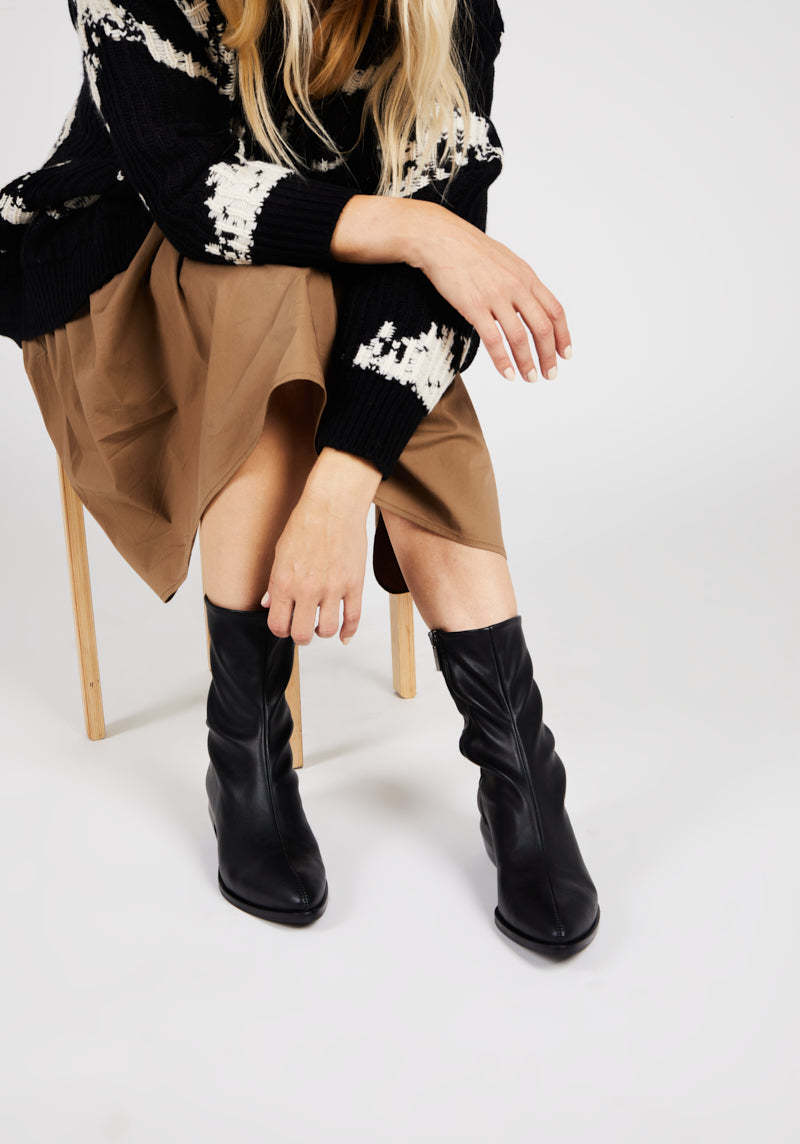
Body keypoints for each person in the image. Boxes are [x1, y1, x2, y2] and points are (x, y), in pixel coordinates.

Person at [0, 0, 599, 957]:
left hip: (343, 257)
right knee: (273, 297)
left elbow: (438, 241)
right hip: (131, 262)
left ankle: (521, 775)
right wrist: (422, 230)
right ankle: (247, 748)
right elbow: (195, 196)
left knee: (387, 330)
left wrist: (338, 489)